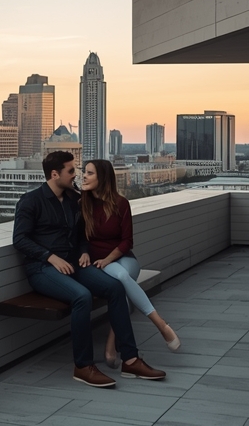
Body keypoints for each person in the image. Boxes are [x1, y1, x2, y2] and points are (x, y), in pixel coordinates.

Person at [12, 151, 166, 387]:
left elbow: (81, 234)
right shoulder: (31, 201)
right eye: (71, 171)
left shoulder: (74, 200)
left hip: (74, 263)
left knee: (115, 288)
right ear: (55, 174)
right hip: (42, 269)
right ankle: (83, 366)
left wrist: (84, 250)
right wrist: (51, 258)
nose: (77, 175)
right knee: (82, 296)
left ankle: (131, 359)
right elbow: (20, 239)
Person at [79, 159, 181, 368]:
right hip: (101, 263)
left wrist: (108, 259)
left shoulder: (120, 203)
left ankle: (138, 332)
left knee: (123, 278)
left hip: (123, 260)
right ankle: (158, 326)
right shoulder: (82, 204)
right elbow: (79, 238)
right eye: (84, 172)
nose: (84, 176)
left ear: (103, 177)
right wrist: (86, 254)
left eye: (89, 173)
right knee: (122, 283)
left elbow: (128, 241)